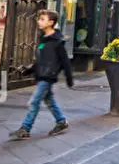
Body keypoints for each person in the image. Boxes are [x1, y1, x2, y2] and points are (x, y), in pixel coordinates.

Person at [9, 10, 73, 139]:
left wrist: (69, 77)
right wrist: (30, 70)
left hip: (48, 76)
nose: (39, 21)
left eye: (42, 19)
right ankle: (61, 122)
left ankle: (25, 128)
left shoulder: (57, 42)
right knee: (49, 100)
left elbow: (65, 61)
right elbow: (40, 60)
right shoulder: (43, 39)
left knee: (34, 102)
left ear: (51, 22)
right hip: (41, 75)